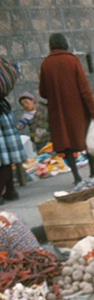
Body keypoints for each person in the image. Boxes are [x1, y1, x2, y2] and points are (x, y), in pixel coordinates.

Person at [38, 33, 94, 184]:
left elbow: (43, 92)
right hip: (78, 109)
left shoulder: (46, 64)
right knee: (87, 139)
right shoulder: (72, 60)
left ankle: (76, 176)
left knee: (66, 145)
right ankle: (93, 171)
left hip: (58, 112)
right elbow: (84, 88)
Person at [0, 63, 25, 204]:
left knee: (3, 159)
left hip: (1, 115)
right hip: (4, 111)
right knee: (6, 157)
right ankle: (10, 190)